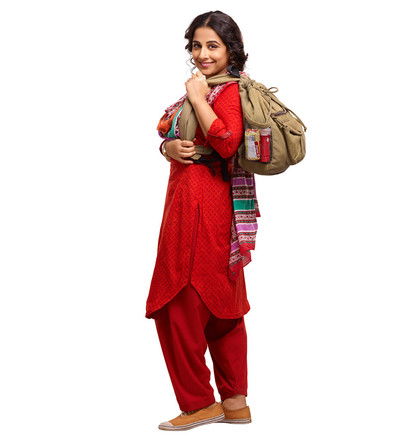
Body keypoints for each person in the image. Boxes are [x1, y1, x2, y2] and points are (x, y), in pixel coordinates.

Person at [145, 11, 260, 431]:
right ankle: (235, 401)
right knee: (222, 304)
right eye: (196, 45)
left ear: (231, 49)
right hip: (203, 206)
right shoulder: (210, 86)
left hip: (200, 209)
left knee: (178, 303)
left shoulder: (225, 91)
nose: (202, 54)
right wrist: (168, 149)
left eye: (213, 45)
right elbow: (172, 134)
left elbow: (227, 142)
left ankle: (199, 404)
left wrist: (196, 97)